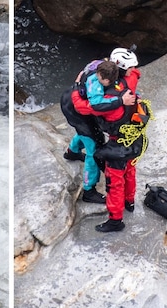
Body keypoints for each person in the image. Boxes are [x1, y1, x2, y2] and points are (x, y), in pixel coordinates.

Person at [71, 47, 142, 232]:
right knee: (130, 170)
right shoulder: (131, 80)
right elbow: (136, 73)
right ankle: (130, 202)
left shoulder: (110, 99)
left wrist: (77, 87)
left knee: (114, 183)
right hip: (134, 137)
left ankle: (116, 220)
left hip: (117, 143)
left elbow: (84, 107)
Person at [61, 60, 122, 204]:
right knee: (93, 148)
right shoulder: (96, 87)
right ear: (104, 79)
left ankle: (72, 152)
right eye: (109, 82)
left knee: (85, 133)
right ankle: (89, 190)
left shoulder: (97, 65)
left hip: (67, 98)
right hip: (76, 111)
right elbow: (97, 105)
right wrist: (120, 100)